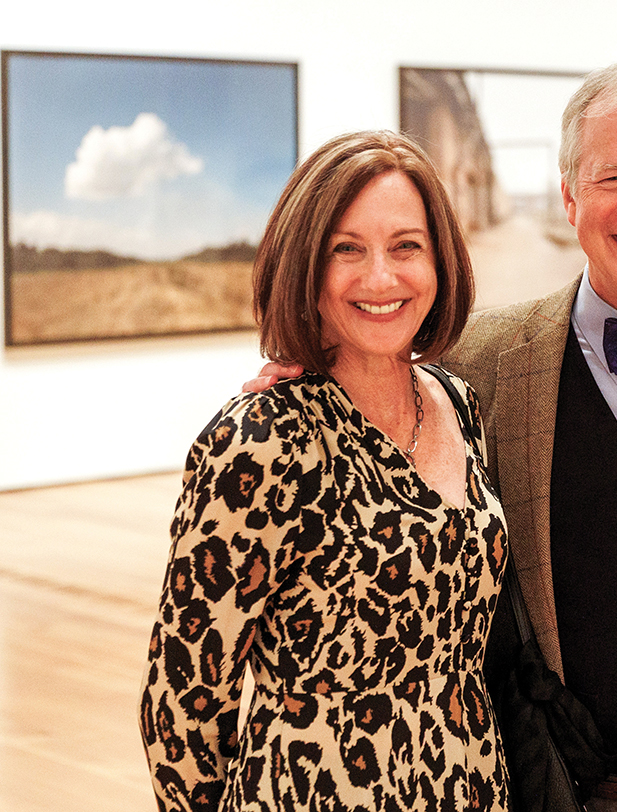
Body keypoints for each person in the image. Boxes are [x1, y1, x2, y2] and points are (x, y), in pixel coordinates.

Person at [250, 61, 617, 812]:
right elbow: (367, 360)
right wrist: (309, 368)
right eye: (612, 177)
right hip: (552, 791)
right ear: (568, 196)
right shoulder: (472, 369)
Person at [139, 131, 510, 811]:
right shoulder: (260, 440)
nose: (380, 277)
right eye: (347, 249)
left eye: (406, 246)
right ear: (305, 267)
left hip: (468, 785)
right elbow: (183, 701)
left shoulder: (458, 404)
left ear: (440, 262)